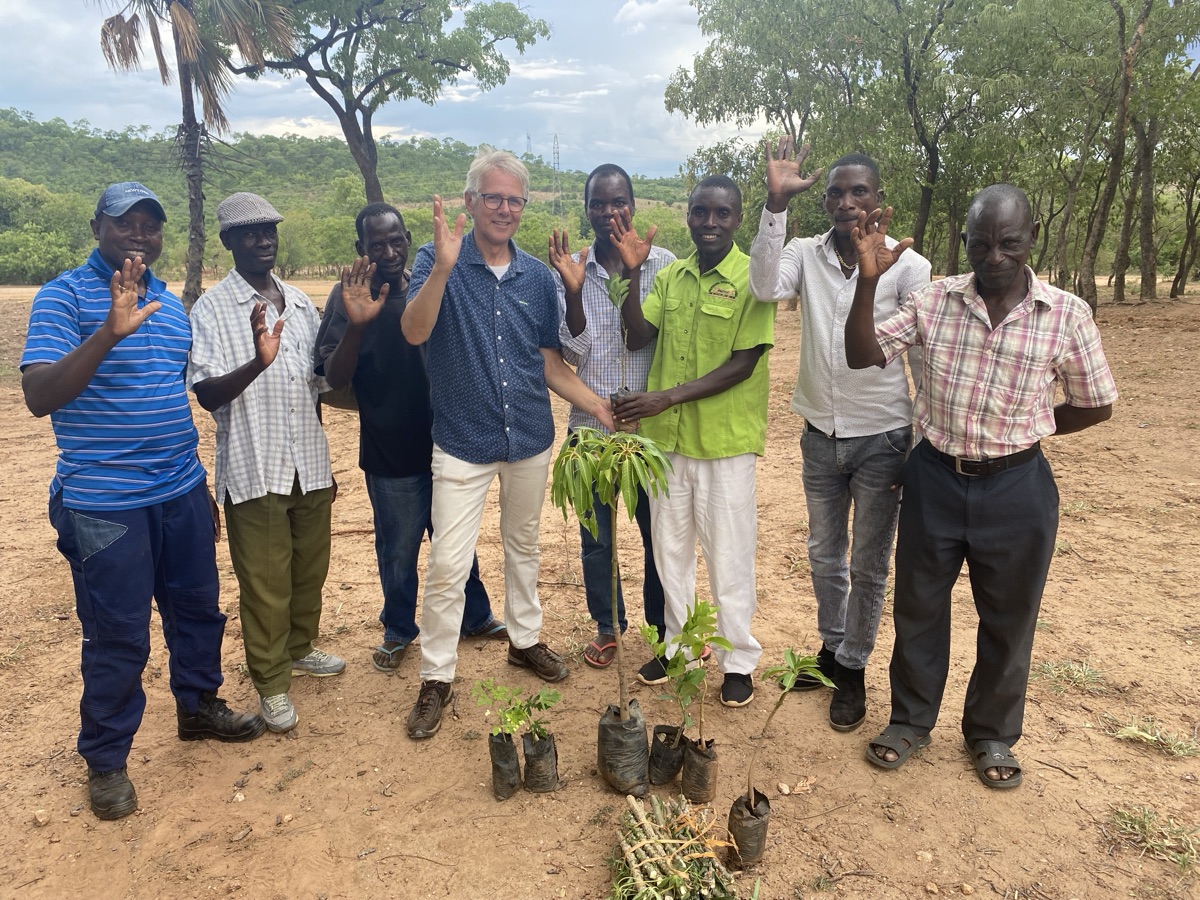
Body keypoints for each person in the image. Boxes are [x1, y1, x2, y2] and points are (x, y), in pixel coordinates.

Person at [844, 185, 1117, 787]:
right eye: (980, 244)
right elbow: (862, 354)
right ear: (964, 240)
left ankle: (992, 734)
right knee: (919, 607)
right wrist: (867, 280)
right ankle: (911, 720)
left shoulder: (1066, 314)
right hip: (935, 479)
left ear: (1032, 238)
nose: (994, 257)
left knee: (1009, 617)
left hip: (1018, 487)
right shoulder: (933, 301)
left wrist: (1031, 428)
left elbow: (1096, 403)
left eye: (1009, 243)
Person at [21, 181, 265, 820]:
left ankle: (198, 706)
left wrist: (198, 485)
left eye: (150, 225)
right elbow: (39, 396)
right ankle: (106, 760)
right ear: (97, 226)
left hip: (179, 489)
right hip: (105, 502)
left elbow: (171, 401)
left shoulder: (170, 307)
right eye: (124, 222)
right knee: (118, 635)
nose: (139, 234)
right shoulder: (62, 297)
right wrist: (107, 332)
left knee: (198, 610)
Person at [400, 150, 616, 739]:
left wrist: (596, 404)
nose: (504, 208)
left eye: (514, 199)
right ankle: (436, 676)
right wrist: (443, 270)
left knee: (524, 545)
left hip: (527, 436)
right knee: (448, 563)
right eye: (493, 197)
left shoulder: (537, 278)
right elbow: (414, 331)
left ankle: (524, 640)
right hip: (462, 440)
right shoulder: (437, 260)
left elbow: (549, 361)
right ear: (470, 202)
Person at [748, 138, 931, 732]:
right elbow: (764, 286)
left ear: (878, 198)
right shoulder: (804, 253)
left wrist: (922, 441)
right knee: (825, 553)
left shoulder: (908, 265)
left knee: (869, 563)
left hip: (883, 437)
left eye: (859, 191)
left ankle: (853, 667)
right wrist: (775, 204)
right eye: (835, 192)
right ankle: (832, 649)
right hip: (819, 434)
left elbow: (922, 356)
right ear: (823, 201)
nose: (847, 201)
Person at [313, 203, 508, 673]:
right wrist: (357, 324)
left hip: (448, 443)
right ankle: (399, 629)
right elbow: (331, 375)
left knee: (455, 541)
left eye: (396, 240)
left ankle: (474, 617)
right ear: (361, 248)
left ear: (408, 238)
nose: (389, 251)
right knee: (398, 550)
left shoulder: (428, 285)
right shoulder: (348, 297)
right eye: (376, 244)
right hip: (389, 450)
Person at [613, 175, 776, 708]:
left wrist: (664, 398)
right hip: (669, 445)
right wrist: (632, 273)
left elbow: (743, 364)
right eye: (700, 212)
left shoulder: (754, 279)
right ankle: (680, 649)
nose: (710, 223)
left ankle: (738, 661)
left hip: (724, 444)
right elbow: (637, 335)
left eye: (722, 213)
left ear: (738, 218)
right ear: (687, 216)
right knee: (670, 553)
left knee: (729, 557)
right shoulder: (671, 276)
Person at [188, 192, 343, 735]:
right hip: (254, 465)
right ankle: (272, 681)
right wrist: (258, 362)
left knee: (310, 569)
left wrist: (324, 461)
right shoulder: (211, 310)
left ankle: (299, 647)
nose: (263, 240)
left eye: (269, 230)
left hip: (308, 462)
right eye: (250, 232)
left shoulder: (299, 303)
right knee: (265, 582)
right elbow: (206, 393)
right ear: (228, 241)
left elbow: (316, 386)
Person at [547, 164, 674, 669]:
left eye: (618, 201)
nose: (609, 212)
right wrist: (573, 291)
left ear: (633, 205)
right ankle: (608, 626)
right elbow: (570, 353)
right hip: (589, 431)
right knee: (597, 541)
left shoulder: (663, 264)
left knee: (657, 535)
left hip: (648, 433)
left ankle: (662, 627)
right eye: (597, 204)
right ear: (586, 210)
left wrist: (633, 272)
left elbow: (653, 338)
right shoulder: (571, 268)